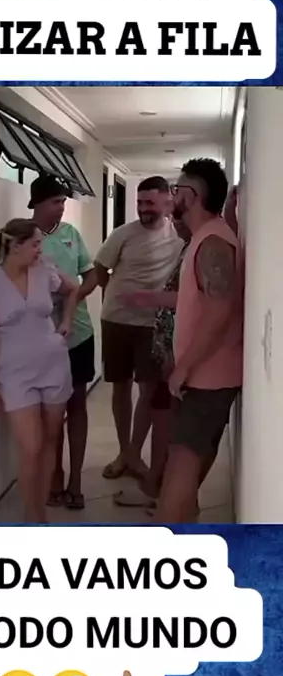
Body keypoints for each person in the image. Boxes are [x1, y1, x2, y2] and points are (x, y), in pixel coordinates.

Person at [154, 159, 244, 523]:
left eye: (176, 190)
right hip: (208, 375)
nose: (172, 197)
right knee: (189, 462)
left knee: (182, 463)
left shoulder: (212, 242)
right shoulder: (212, 235)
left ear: (191, 196)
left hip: (208, 378)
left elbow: (220, 311)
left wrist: (185, 367)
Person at [0, 218, 80, 524]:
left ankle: (39, 513)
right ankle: (31, 515)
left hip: (53, 363)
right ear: (15, 246)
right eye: (35, 244)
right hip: (15, 373)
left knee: (50, 439)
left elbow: (74, 289)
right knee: (30, 447)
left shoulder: (44, 270)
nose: (40, 249)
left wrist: (66, 322)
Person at [94, 176, 184, 499]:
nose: (143, 209)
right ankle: (124, 453)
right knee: (120, 387)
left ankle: (134, 453)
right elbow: (100, 267)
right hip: (116, 320)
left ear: (167, 202)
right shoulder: (123, 234)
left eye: (150, 203)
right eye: (139, 202)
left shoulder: (178, 235)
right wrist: (115, 292)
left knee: (148, 390)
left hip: (152, 325)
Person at [28, 174, 98, 510]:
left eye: (63, 202)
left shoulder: (71, 234)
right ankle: (54, 475)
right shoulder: (25, 238)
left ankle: (76, 480)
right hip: (42, 339)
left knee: (77, 404)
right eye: (56, 202)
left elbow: (92, 273)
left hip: (78, 333)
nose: (61, 208)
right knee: (50, 411)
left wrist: (76, 295)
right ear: (38, 203)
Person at [120, 216, 191, 506]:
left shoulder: (200, 247)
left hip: (178, 352)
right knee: (160, 409)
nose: (175, 222)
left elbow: (192, 300)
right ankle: (157, 484)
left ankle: (158, 489)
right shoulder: (187, 246)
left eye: (179, 215)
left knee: (166, 418)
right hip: (168, 349)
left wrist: (149, 298)